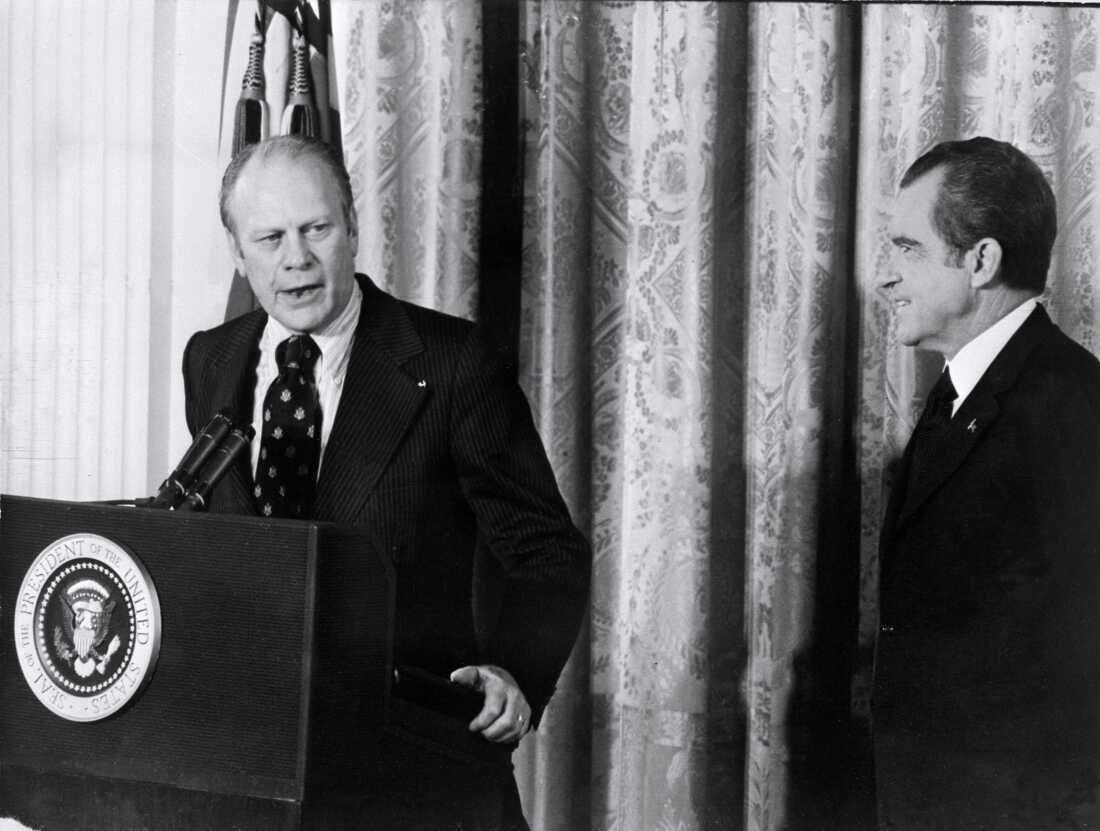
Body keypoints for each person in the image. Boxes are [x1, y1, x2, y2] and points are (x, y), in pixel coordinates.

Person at [182, 135, 590, 829]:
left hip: (413, 770)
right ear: (236, 250)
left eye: (317, 228)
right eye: (271, 237)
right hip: (260, 769)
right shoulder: (209, 359)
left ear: (353, 228)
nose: (297, 259)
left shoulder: (452, 363)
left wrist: (514, 670)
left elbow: (547, 547)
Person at [873, 137, 1100, 828]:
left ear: (981, 261)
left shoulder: (1069, 405)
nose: (886, 277)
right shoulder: (962, 392)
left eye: (908, 249)